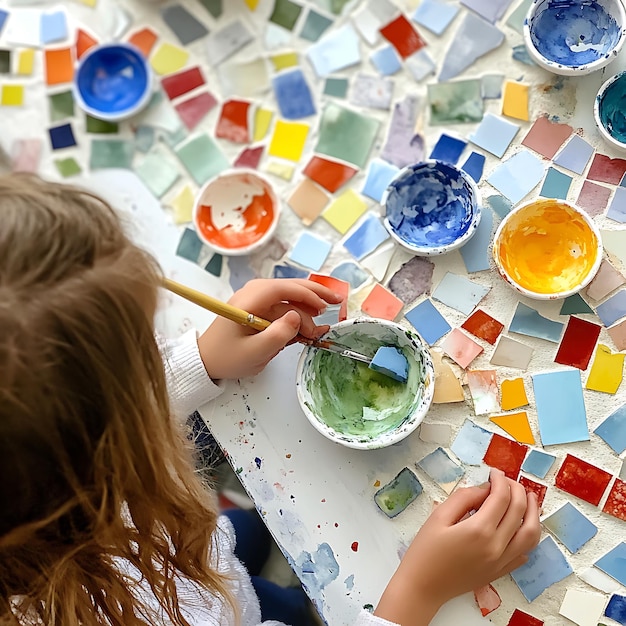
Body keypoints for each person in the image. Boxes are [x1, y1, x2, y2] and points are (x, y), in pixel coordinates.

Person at [0, 174, 541, 626]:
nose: (151, 371)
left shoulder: (36, 459)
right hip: (198, 600)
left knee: (250, 553)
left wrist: (200, 359)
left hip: (199, 561)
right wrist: (418, 593)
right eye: (144, 356)